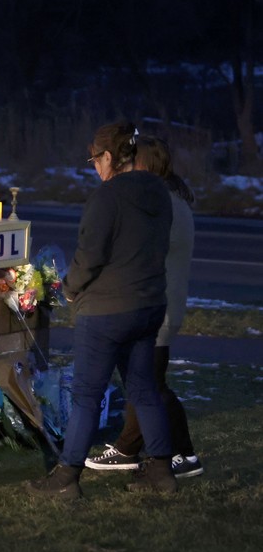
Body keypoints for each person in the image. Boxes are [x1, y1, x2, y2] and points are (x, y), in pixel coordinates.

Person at [26, 121, 175, 500]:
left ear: (109, 157)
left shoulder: (106, 198)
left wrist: (70, 289)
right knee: (143, 389)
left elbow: (90, 254)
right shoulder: (159, 192)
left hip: (107, 310)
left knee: (86, 396)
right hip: (150, 303)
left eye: (95, 159)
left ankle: (67, 478)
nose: (94, 167)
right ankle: (161, 470)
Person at [84, 136, 203, 478]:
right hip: (158, 303)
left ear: (145, 165)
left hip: (157, 307)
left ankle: (181, 452)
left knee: (151, 384)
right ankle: (130, 448)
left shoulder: (161, 203)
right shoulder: (168, 198)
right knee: (145, 381)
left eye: (132, 162)